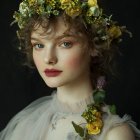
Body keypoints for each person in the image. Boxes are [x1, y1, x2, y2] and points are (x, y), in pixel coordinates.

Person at [0, 0, 140, 140]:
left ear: (94, 46)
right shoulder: (27, 124)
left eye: (65, 44)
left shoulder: (113, 134)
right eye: (38, 45)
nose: (48, 58)